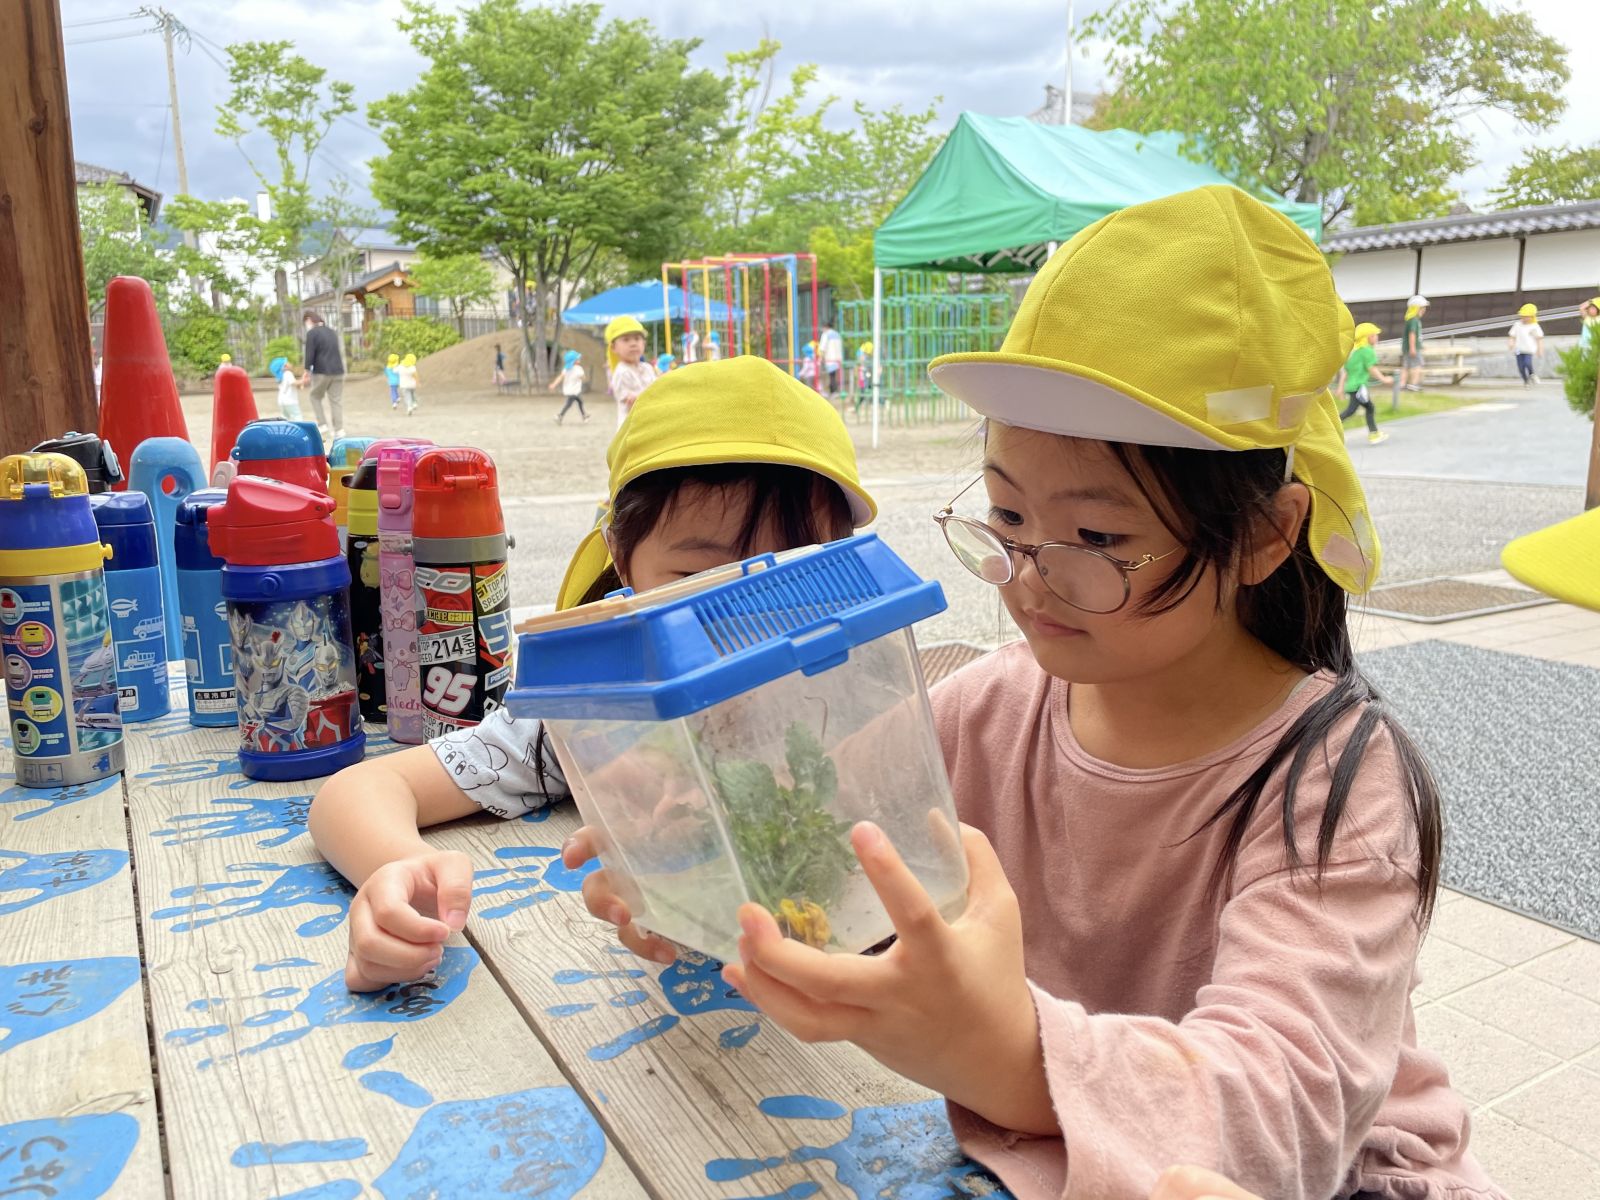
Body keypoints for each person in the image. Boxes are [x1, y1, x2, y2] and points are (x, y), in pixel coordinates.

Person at [573, 186, 1501, 1200]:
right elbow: (823, 840)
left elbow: (1279, 1115)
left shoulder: (1336, 788)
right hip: (1048, 1156)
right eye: (1007, 514)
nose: (1025, 573)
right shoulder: (999, 703)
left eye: (1097, 538)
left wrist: (1002, 1054)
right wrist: (699, 871)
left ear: (1264, 535)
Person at [307, 355, 877, 993]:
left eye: (793, 578)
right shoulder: (596, 710)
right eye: (695, 580)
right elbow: (355, 792)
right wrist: (404, 868)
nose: (745, 617)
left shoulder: (872, 695)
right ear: (622, 559)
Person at [1337, 322, 1390, 444]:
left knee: (1368, 408)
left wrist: (1340, 387)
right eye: (1375, 335)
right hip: (1358, 387)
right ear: (1369, 337)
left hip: (1353, 387)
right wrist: (1384, 379)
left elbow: (1346, 371)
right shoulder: (1367, 351)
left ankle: (1374, 434)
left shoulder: (1355, 352)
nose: (1377, 338)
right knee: (1352, 410)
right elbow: (1371, 368)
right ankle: (1329, 429)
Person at [300, 310, 346, 441]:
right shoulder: (331, 331)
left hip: (322, 371)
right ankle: (339, 430)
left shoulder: (312, 333)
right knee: (336, 400)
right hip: (338, 371)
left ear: (309, 319)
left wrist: (306, 371)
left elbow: (310, 353)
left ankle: (322, 424)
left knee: (315, 396)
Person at [604, 315, 656, 427]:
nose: (633, 343)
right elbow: (629, 400)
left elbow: (656, 388)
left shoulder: (647, 368)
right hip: (632, 427)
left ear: (644, 343)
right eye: (626, 339)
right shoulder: (621, 371)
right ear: (613, 347)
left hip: (651, 422)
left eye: (637, 339)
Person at [549, 349, 589, 424]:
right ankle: (559, 416)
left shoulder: (566, 369)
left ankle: (584, 415)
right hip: (574, 390)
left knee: (580, 401)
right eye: (578, 358)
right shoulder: (579, 369)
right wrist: (582, 377)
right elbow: (583, 378)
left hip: (568, 390)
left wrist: (554, 384)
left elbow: (560, 377)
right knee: (569, 404)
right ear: (574, 361)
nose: (579, 359)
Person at [1508, 302, 1544, 385]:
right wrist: (1511, 343)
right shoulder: (1517, 325)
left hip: (1529, 349)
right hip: (1518, 349)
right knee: (1521, 367)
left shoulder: (1534, 326)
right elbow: (1512, 336)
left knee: (1527, 363)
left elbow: (1539, 339)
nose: (1524, 318)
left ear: (1532, 317)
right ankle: (1525, 380)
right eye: (1523, 316)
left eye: (1527, 316)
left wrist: (1540, 350)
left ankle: (1532, 374)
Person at [1401, 294, 1428, 392]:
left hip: (1407, 348)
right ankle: (1413, 384)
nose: (1424, 310)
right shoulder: (1414, 321)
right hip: (1413, 349)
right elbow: (1412, 334)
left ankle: (1402, 384)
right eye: (1422, 308)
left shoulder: (1410, 320)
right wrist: (1413, 348)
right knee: (1417, 366)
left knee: (1406, 367)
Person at [269, 356, 304, 421]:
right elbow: (294, 383)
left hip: (281, 402)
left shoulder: (280, 377)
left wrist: (300, 384)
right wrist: (303, 380)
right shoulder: (288, 373)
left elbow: (291, 385)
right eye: (287, 362)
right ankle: (299, 430)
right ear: (284, 366)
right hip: (290, 401)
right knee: (297, 416)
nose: (290, 363)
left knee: (285, 418)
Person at [819, 319, 844, 397]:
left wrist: (821, 358)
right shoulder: (837, 334)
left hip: (829, 358)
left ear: (825, 327)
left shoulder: (825, 334)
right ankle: (834, 390)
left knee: (831, 376)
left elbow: (822, 348)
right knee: (834, 375)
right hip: (838, 358)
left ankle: (833, 391)